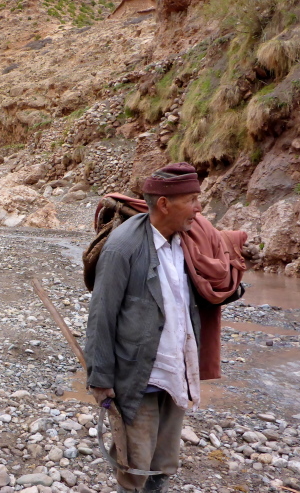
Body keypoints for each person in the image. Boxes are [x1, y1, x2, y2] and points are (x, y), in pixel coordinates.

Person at [84, 163, 204, 493]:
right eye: (191, 200)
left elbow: (203, 292)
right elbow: (101, 315)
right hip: (137, 375)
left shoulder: (187, 241)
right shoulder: (123, 247)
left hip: (175, 369)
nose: (199, 208)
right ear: (164, 204)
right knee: (134, 463)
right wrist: (100, 377)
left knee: (163, 462)